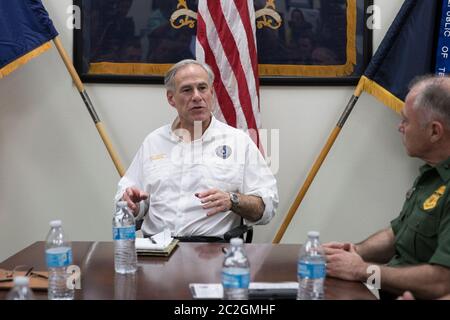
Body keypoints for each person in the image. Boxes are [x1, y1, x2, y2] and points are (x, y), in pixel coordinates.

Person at [115, 59, 278, 241]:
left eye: (202, 88)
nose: (197, 96)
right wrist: (134, 205)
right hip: (155, 250)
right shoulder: (154, 142)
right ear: (171, 98)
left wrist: (232, 200)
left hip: (212, 252)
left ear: (212, 93)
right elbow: (129, 200)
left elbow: (266, 207)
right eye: (187, 90)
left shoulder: (239, 142)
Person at [324, 75, 450, 299]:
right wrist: (353, 253)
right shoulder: (432, 174)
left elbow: (442, 281)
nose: (399, 127)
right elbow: (397, 235)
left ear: (434, 131)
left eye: (406, 121)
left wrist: (361, 271)